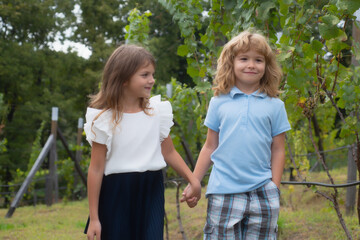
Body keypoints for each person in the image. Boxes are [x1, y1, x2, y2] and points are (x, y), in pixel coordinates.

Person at [83, 44, 201, 240]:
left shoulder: (156, 112)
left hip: (151, 189)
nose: (152, 80)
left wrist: (193, 180)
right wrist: (94, 218)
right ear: (123, 78)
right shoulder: (103, 120)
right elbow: (95, 169)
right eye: (145, 75)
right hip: (116, 193)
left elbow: (169, 152)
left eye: (152, 74)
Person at [182, 30, 291, 239]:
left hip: (262, 191)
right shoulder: (218, 102)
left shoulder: (275, 106)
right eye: (244, 59)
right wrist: (195, 182)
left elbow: (278, 150)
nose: (251, 65)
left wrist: (274, 188)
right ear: (230, 63)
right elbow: (210, 146)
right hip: (223, 190)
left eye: (258, 60)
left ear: (267, 67)